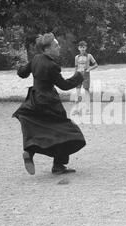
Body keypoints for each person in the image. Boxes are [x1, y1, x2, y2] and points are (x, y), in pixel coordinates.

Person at [13, 33, 86, 175]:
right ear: (46, 49)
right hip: (49, 102)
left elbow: (22, 73)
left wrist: (19, 68)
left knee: (40, 129)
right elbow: (64, 85)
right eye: (56, 45)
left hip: (34, 100)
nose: (59, 47)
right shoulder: (52, 65)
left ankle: (29, 151)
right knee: (66, 131)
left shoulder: (36, 59)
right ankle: (58, 166)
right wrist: (79, 76)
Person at [73, 40, 98, 115]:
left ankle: (88, 110)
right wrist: (74, 76)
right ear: (78, 48)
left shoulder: (89, 56)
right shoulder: (76, 57)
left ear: (86, 48)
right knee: (77, 92)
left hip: (86, 75)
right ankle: (76, 109)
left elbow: (96, 65)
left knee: (86, 91)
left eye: (83, 47)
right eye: (81, 47)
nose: (82, 49)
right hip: (78, 75)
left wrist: (89, 69)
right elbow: (76, 68)